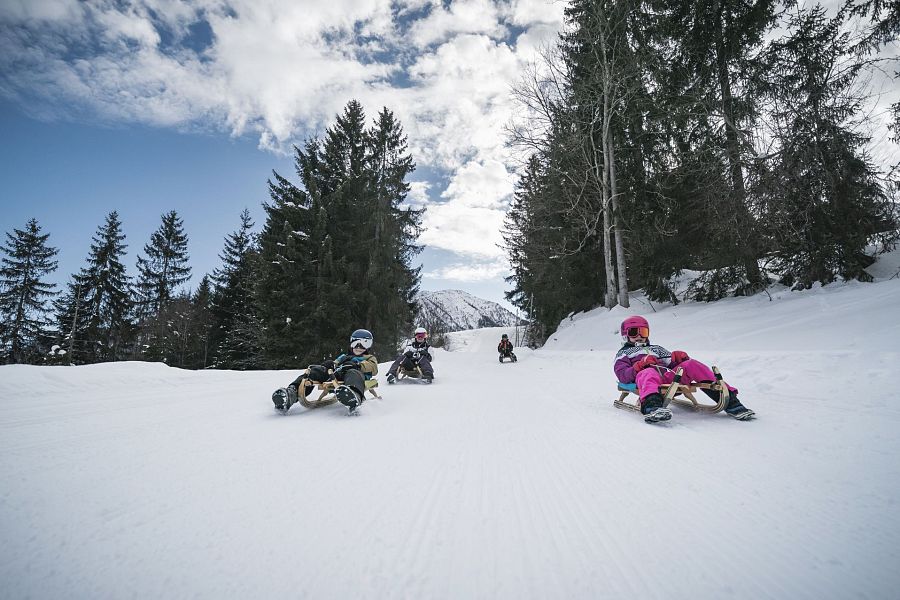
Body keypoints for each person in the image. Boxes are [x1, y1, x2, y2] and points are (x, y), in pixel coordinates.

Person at [613, 316, 754, 423]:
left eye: (643, 331)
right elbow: (622, 375)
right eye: (634, 332)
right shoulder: (623, 354)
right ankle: (652, 407)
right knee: (648, 372)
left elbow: (672, 365)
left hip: (666, 379)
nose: (639, 336)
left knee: (691, 364)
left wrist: (678, 359)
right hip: (643, 381)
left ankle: (730, 401)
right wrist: (638, 367)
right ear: (625, 335)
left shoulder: (656, 349)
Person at [272, 328, 378, 413]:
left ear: (369, 346)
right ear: (351, 343)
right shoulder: (344, 357)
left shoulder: (369, 358)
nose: (359, 347)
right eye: (355, 343)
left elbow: (373, 368)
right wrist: (330, 364)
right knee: (315, 370)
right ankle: (291, 393)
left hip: (354, 378)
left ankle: (354, 396)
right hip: (335, 376)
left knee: (353, 372)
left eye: (364, 343)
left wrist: (357, 365)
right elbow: (335, 364)